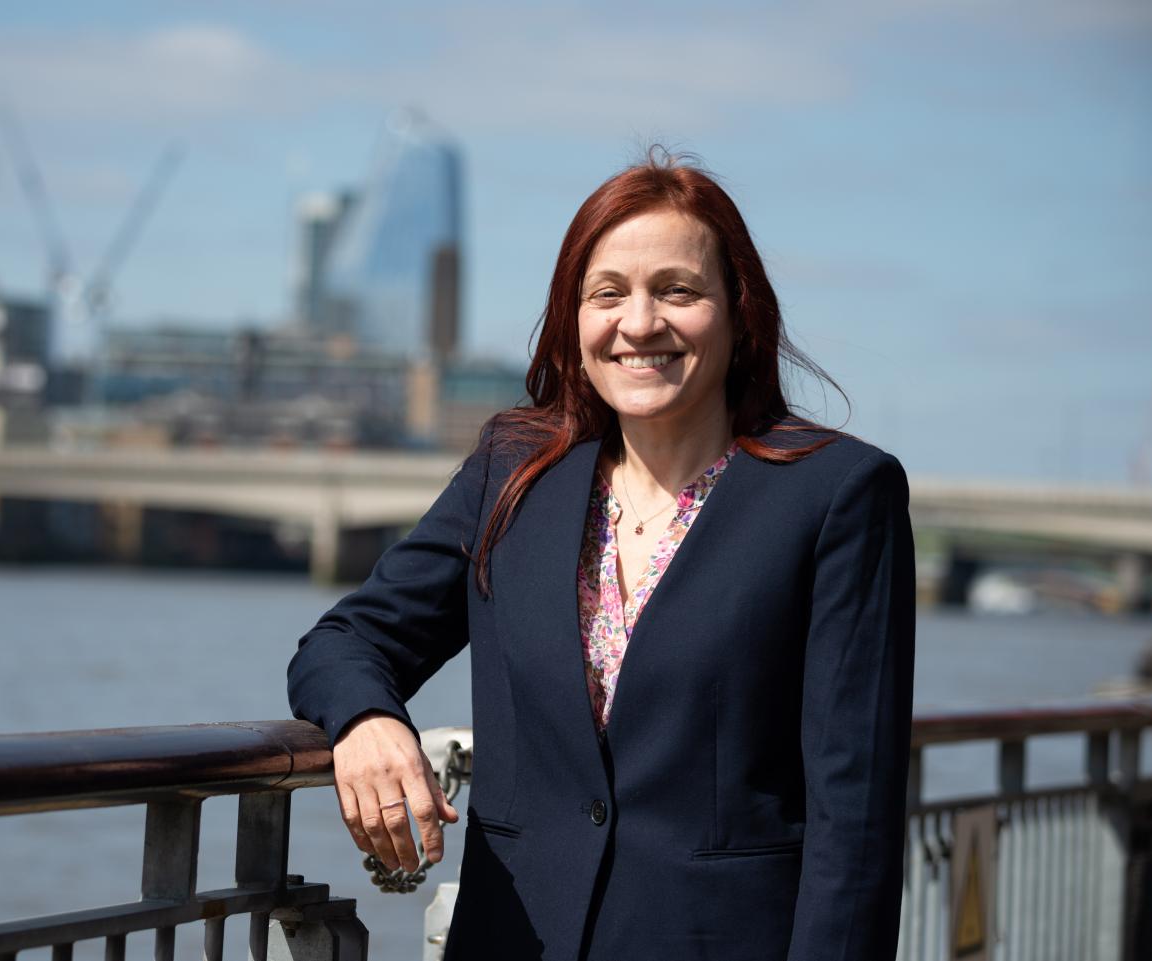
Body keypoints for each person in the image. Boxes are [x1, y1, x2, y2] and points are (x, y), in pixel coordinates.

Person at [287, 149, 916, 961]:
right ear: (573, 318)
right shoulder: (514, 471)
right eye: (607, 293)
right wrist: (369, 720)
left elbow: (854, 821)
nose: (640, 322)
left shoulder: (837, 494)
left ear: (739, 309)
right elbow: (344, 642)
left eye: (678, 290)